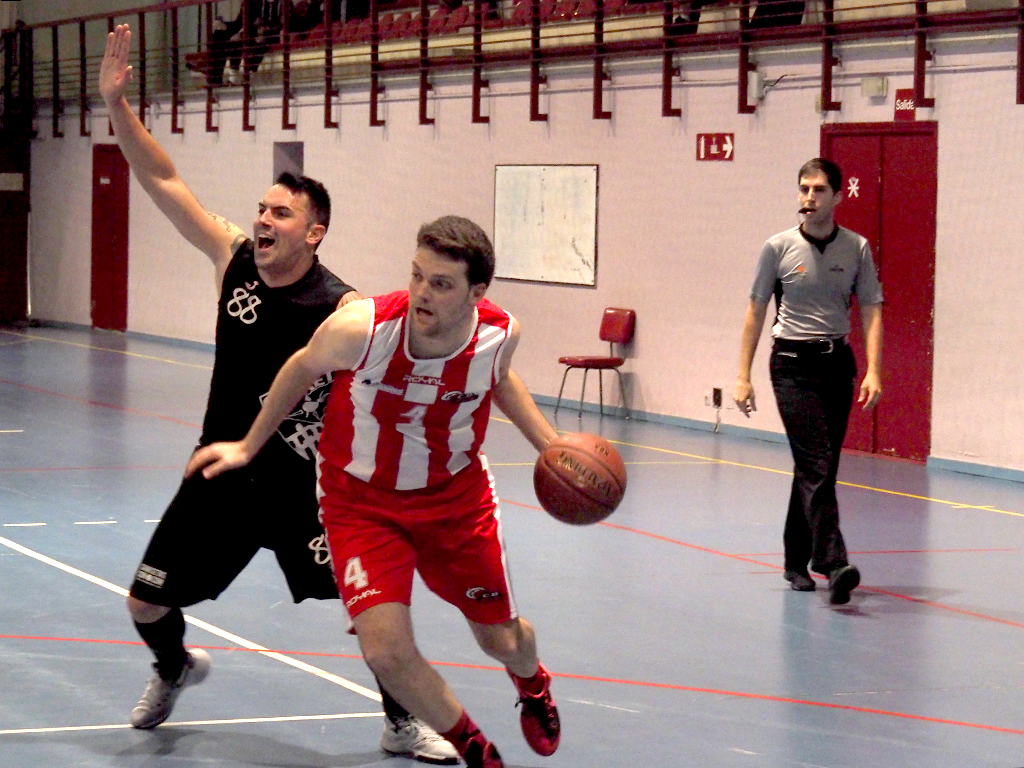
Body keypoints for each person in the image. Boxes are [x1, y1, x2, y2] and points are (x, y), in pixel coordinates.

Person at [99, 25, 457, 765]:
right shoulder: (232, 259)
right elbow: (164, 180)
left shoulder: (342, 308)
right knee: (145, 602)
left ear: (313, 233)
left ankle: (400, 721)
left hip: (308, 489)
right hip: (223, 471)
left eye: (281, 213)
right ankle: (174, 667)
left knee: (372, 614)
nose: (263, 220)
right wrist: (116, 106)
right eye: (261, 209)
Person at [187, 216, 563, 768]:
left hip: (455, 502)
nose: (422, 292)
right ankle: (477, 751)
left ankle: (532, 684)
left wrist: (550, 445)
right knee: (385, 650)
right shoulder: (364, 328)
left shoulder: (499, 334)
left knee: (502, 640)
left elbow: (498, 377)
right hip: (361, 504)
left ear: (476, 293)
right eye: (417, 275)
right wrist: (247, 445)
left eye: (441, 283)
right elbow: (301, 367)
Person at [733, 158, 883, 605]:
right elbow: (756, 311)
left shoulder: (856, 248)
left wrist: (874, 369)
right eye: (803, 189)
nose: (809, 197)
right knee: (817, 464)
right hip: (791, 366)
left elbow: (872, 309)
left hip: (837, 365)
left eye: (818, 190)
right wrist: (742, 376)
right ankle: (833, 563)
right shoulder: (777, 248)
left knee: (818, 467)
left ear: (837, 196)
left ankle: (795, 562)